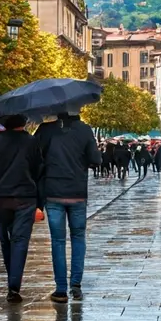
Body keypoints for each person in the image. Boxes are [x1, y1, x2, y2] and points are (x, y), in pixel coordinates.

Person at [0, 115, 42, 302]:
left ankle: (11, 279)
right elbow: (39, 171)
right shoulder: (31, 142)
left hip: (1, 198)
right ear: (24, 122)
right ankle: (14, 285)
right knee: (20, 240)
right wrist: (41, 201)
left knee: (5, 238)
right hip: (25, 197)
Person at [37, 113, 102, 303]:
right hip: (77, 192)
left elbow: (35, 158)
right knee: (78, 238)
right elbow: (96, 159)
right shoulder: (84, 130)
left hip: (53, 192)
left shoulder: (45, 130)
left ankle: (60, 289)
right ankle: (76, 285)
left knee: (57, 240)